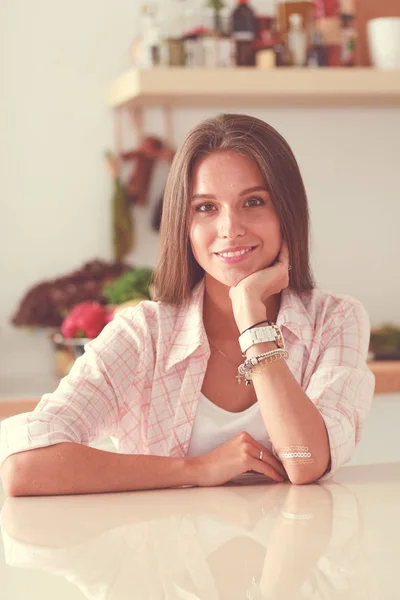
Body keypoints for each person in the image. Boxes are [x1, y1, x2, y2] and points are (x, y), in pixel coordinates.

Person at [0, 114, 374, 496]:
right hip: (167, 555)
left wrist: (252, 318)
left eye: (254, 201)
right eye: (206, 208)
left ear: (287, 214)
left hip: (291, 552)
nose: (231, 228)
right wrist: (197, 469)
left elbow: (305, 460)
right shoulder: (145, 335)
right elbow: (24, 467)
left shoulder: (335, 320)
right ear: (184, 224)